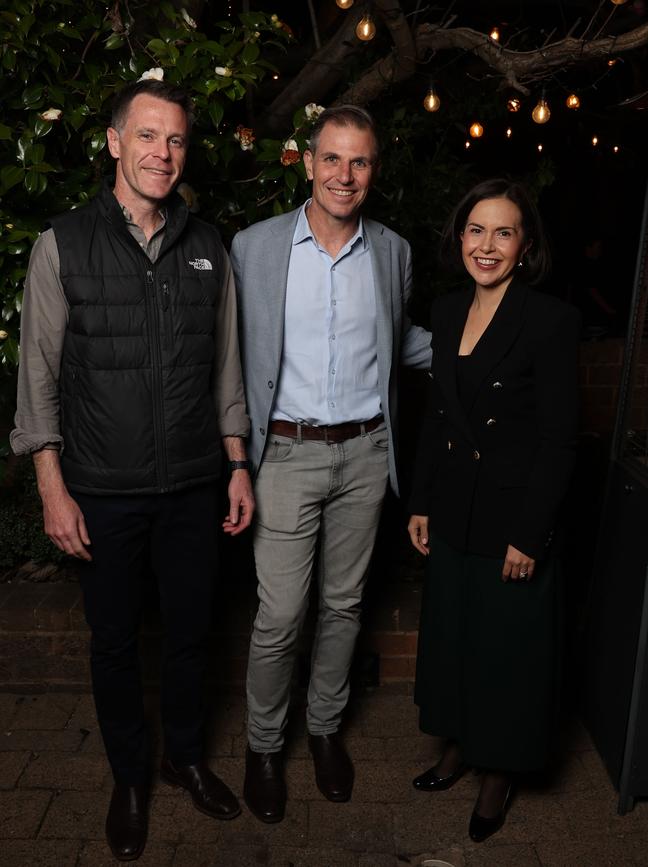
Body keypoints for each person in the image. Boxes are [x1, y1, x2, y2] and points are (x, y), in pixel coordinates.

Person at [11, 79, 255, 861]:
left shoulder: (209, 246)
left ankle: (184, 756)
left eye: (177, 139)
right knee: (115, 641)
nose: (163, 153)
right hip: (102, 490)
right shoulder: (63, 243)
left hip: (192, 483)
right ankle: (129, 777)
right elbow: (38, 379)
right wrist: (52, 486)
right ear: (115, 142)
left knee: (190, 632)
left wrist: (239, 465)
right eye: (148, 136)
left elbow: (227, 373)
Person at [230, 105, 431, 823]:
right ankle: (261, 745)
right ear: (309, 162)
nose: (345, 175)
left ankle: (322, 729)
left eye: (361, 161)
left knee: (345, 605)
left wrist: (478, 347)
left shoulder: (394, 251)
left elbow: (399, 342)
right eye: (333, 159)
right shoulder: (253, 248)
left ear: (374, 171)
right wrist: (234, 456)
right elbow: (230, 356)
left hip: (367, 452)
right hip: (283, 453)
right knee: (281, 613)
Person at [407, 178, 580, 843]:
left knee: (507, 649)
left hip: (513, 516)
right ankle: (458, 746)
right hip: (453, 506)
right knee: (457, 636)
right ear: (459, 238)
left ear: (524, 245)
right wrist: (420, 500)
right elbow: (437, 416)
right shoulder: (447, 311)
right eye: (476, 230)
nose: (487, 245)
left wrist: (530, 534)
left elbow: (560, 439)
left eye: (503, 232)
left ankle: (498, 771)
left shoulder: (549, 319)